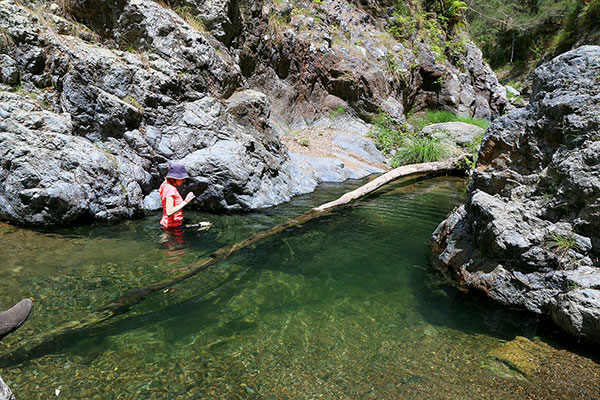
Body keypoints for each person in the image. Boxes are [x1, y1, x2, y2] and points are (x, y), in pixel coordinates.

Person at [159, 163, 211, 230]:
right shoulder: (171, 189)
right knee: (206, 225)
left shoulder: (164, 185)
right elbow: (169, 212)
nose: (184, 180)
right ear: (174, 178)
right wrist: (186, 201)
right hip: (172, 228)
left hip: (167, 224)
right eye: (182, 178)